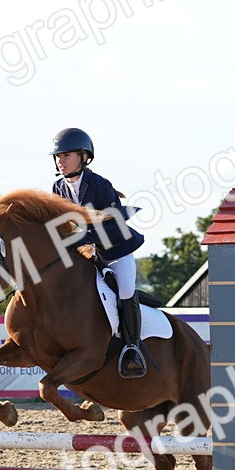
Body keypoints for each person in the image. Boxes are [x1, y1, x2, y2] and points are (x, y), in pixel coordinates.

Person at [49, 127, 147, 378]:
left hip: (115, 251)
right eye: (58, 156)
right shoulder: (58, 187)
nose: (60, 161)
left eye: (66, 155)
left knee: (125, 288)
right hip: (86, 254)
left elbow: (115, 226)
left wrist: (84, 238)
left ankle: (133, 348)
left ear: (84, 157)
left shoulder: (101, 185)